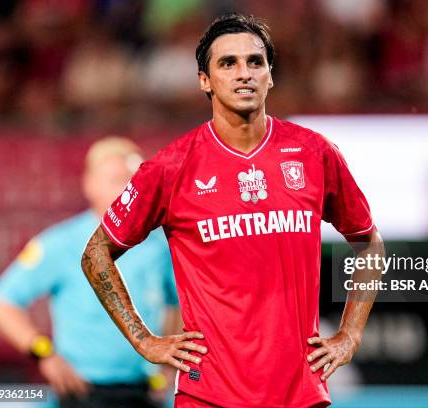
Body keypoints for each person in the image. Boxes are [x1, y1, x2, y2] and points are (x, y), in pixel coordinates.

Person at [81, 13, 383, 408]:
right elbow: (96, 254)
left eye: (254, 62)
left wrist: (350, 336)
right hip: (208, 395)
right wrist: (144, 339)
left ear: (270, 76)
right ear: (204, 80)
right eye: (228, 63)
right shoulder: (171, 167)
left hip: (300, 395)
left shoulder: (314, 154)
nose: (244, 73)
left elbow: (369, 244)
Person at [0, 137, 182, 408]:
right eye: (115, 179)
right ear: (89, 185)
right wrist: (44, 353)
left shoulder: (160, 246)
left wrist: (169, 366)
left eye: (133, 180)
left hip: (146, 393)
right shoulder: (61, 243)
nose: (127, 189)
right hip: (84, 392)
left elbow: (176, 304)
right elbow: (2, 302)